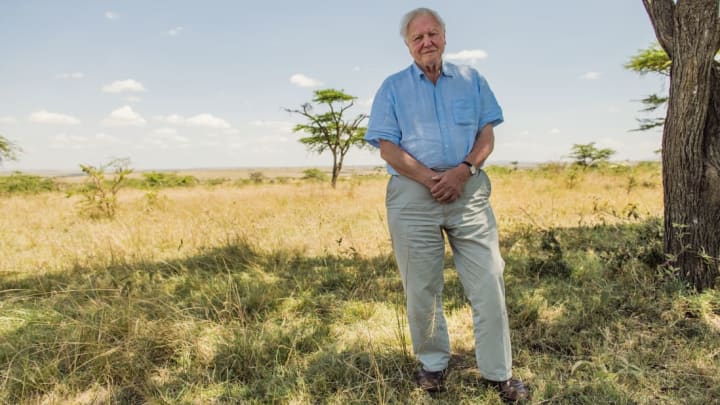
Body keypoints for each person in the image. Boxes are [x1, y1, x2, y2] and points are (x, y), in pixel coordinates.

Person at [364, 7, 529, 402]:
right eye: (417, 38)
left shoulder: (472, 80)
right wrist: (431, 179)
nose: (426, 42)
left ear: (444, 37)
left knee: (488, 279)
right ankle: (433, 365)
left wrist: (463, 171)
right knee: (422, 286)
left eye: (432, 34)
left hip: (467, 189)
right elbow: (387, 146)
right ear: (408, 46)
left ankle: (498, 373)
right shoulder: (392, 87)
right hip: (412, 195)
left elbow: (486, 135)